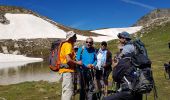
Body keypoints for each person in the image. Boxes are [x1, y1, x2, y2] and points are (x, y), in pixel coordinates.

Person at [104, 31, 142, 100]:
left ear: (124, 38)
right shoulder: (134, 47)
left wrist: (115, 63)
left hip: (128, 85)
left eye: (120, 38)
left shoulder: (127, 48)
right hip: (136, 82)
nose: (119, 39)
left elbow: (119, 63)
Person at [59, 31, 82, 100]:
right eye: (74, 36)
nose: (76, 37)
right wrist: (78, 63)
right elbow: (68, 60)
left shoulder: (67, 45)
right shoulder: (68, 45)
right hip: (67, 71)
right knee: (68, 92)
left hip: (64, 71)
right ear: (70, 38)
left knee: (65, 91)